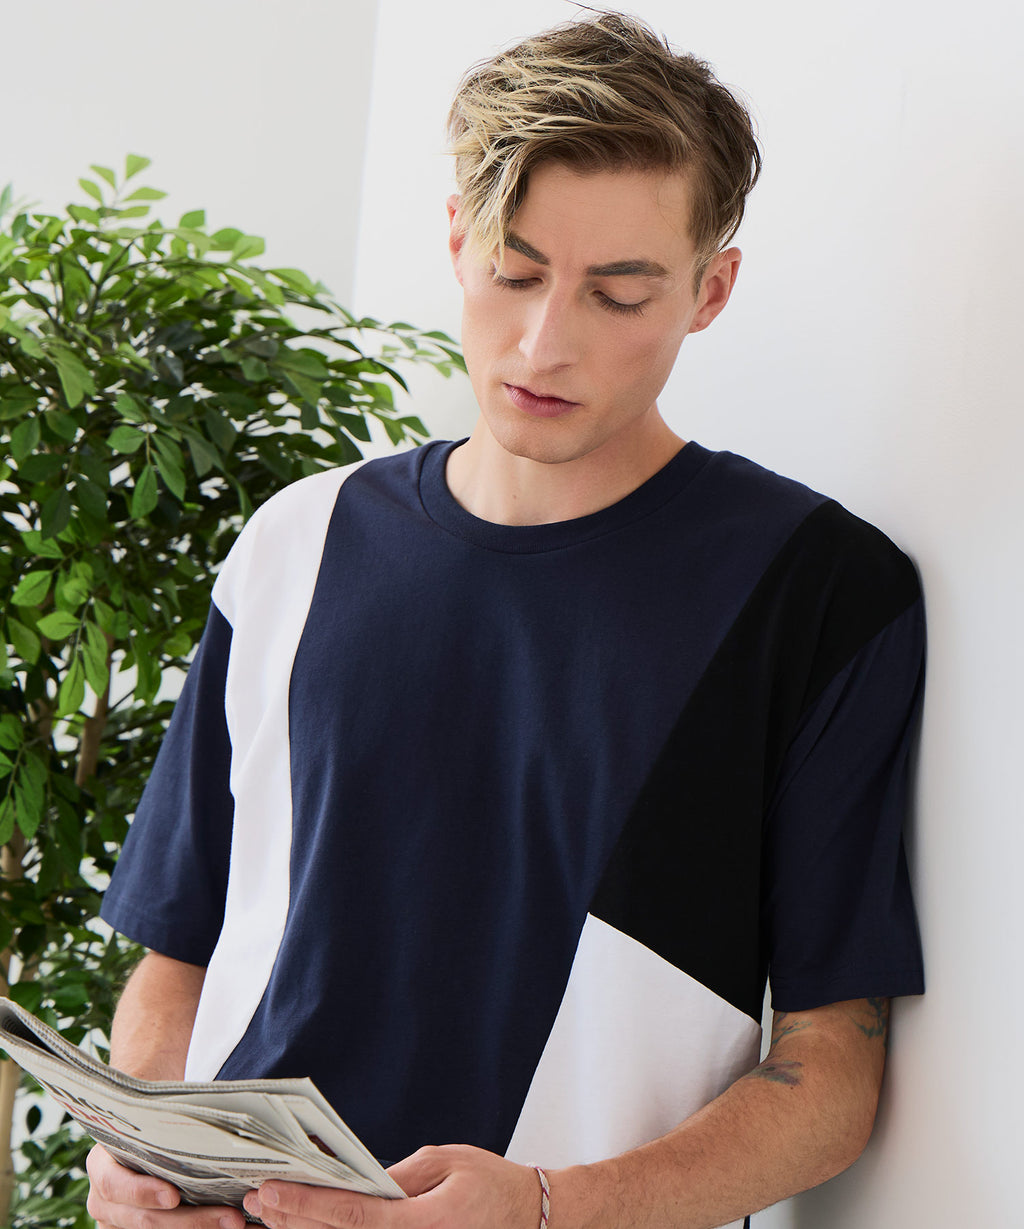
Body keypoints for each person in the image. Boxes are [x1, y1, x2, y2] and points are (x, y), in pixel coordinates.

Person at [86, 12, 925, 1229]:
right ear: (456, 241)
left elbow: (828, 1074)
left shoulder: (815, 591)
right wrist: (143, 1150)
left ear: (710, 290)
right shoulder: (293, 542)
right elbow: (177, 956)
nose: (545, 343)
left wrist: (543, 1203)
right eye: (514, 273)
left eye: (617, 293)